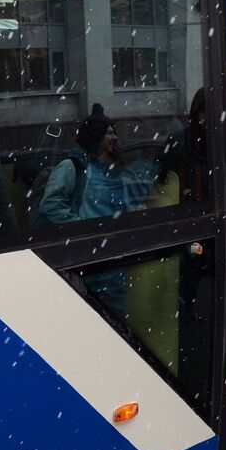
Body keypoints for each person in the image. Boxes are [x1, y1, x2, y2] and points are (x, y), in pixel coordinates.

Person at [35, 106, 156, 316]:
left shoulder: (115, 173)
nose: (115, 137)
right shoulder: (74, 167)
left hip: (113, 261)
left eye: (114, 132)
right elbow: (51, 204)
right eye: (109, 133)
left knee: (115, 322)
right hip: (87, 260)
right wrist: (82, 227)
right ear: (95, 137)